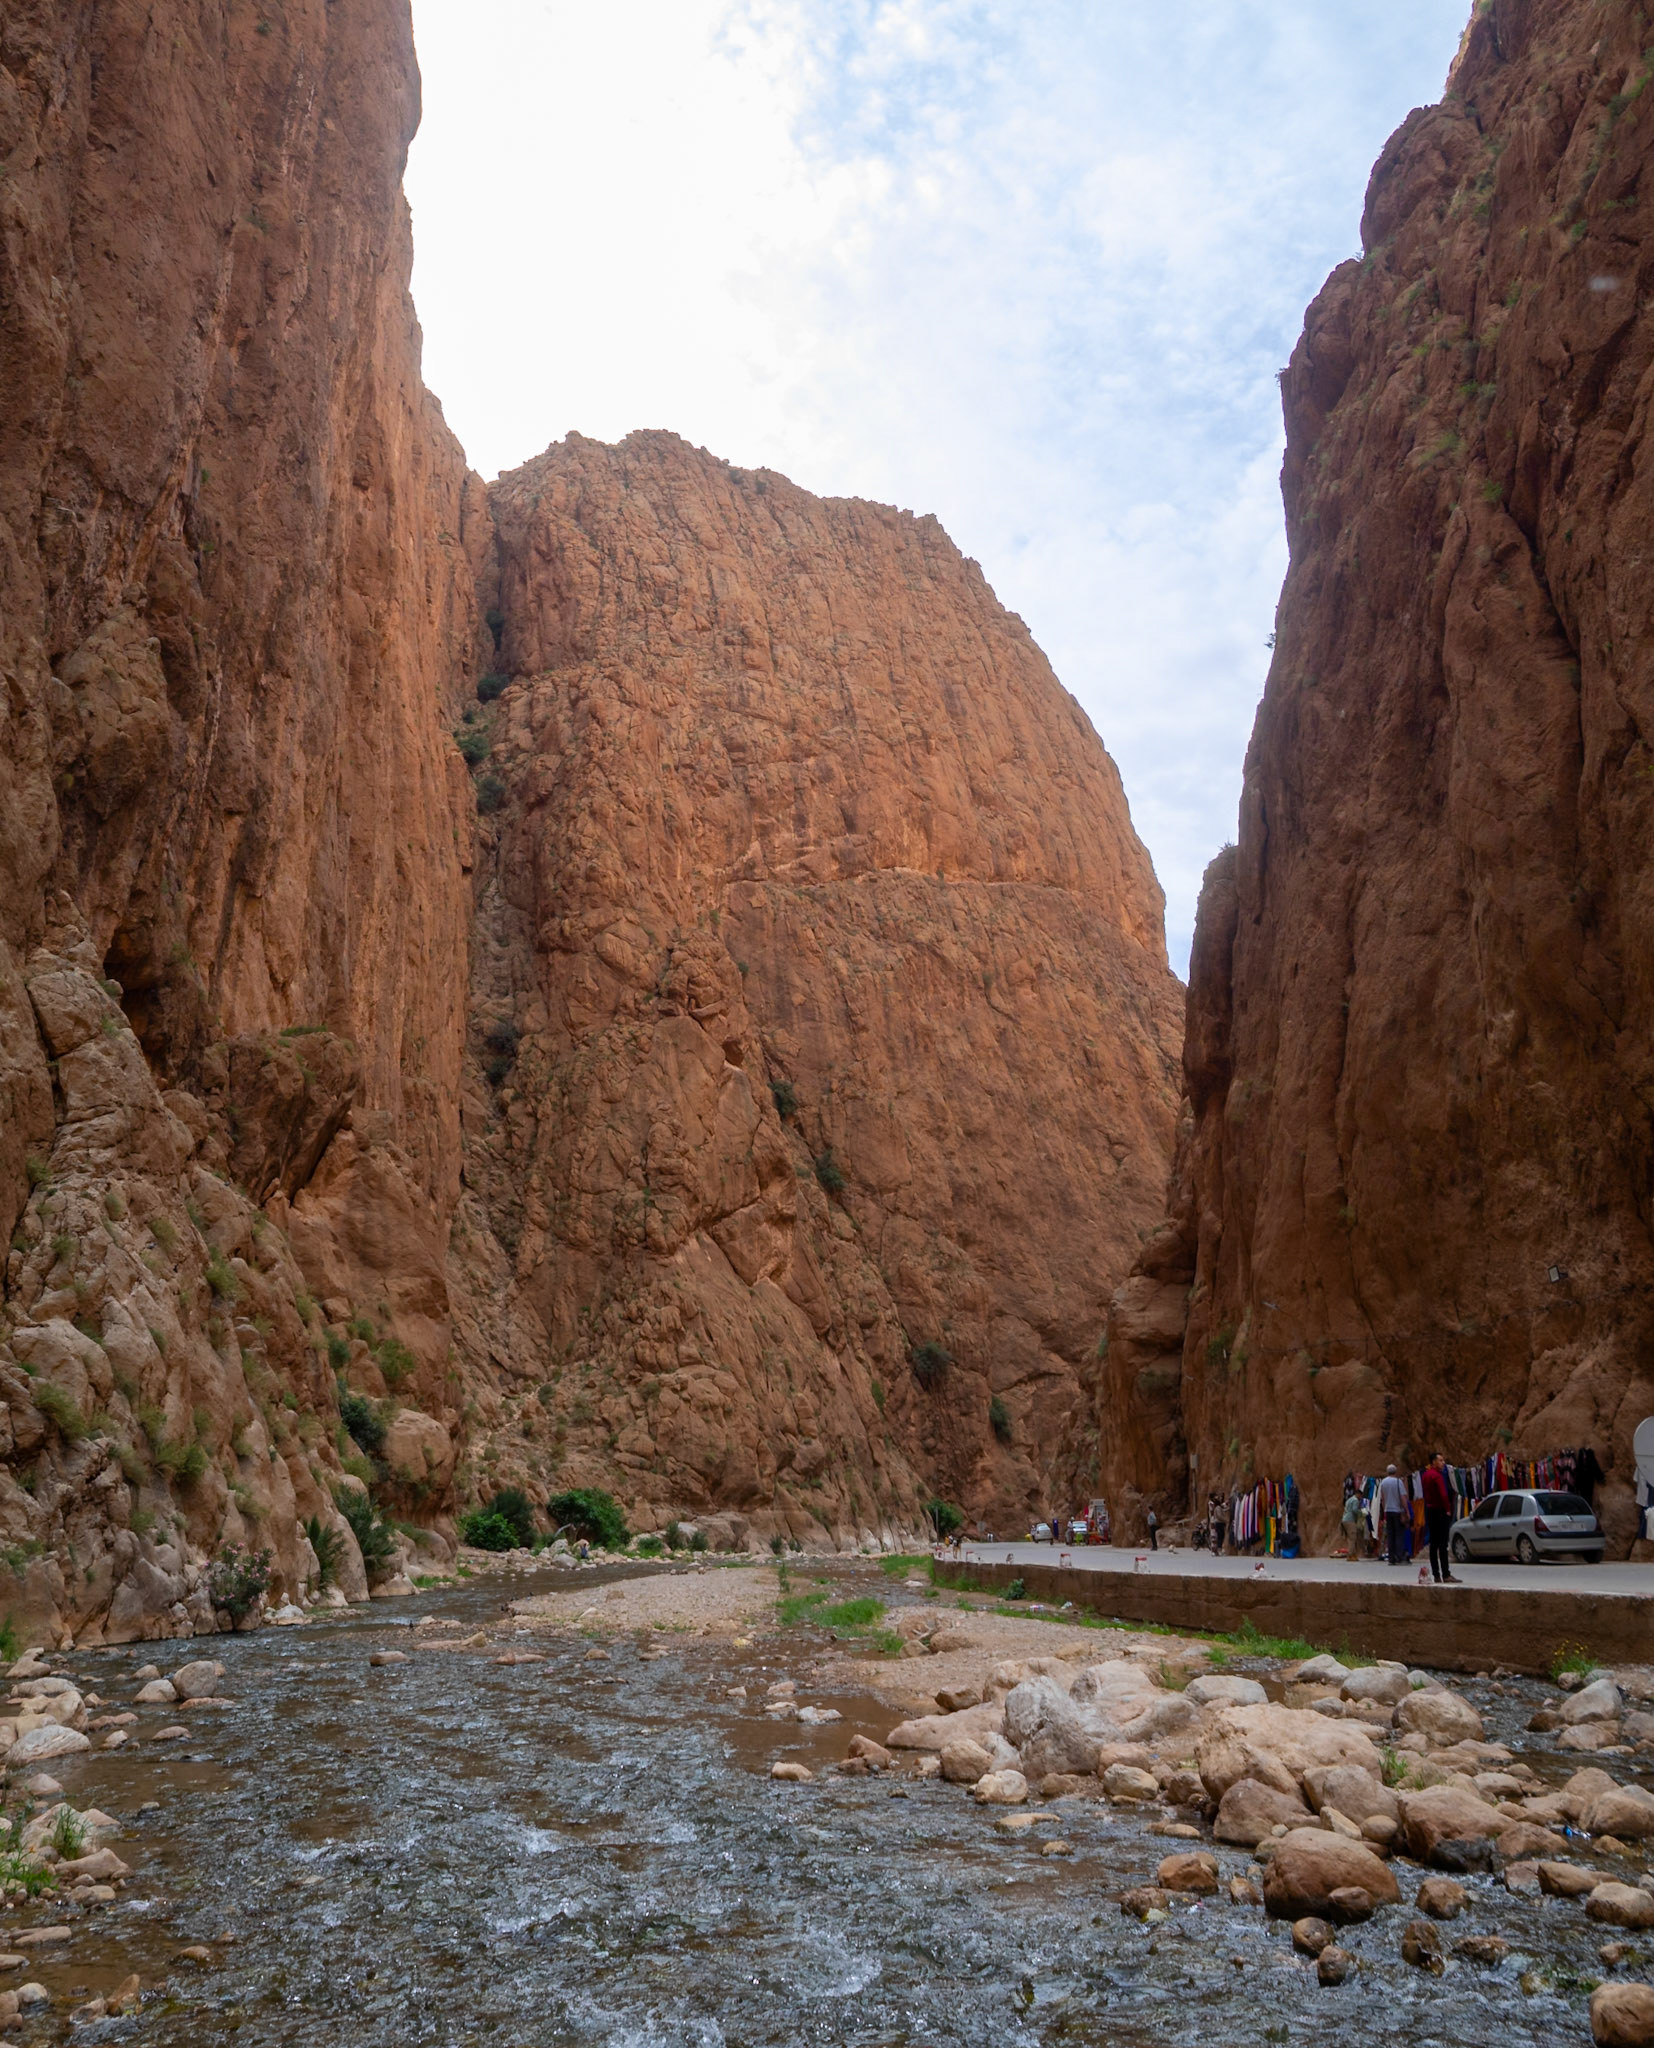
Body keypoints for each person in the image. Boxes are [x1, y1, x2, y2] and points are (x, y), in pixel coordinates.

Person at [1422, 1452, 1458, 1584]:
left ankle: (1436, 1574)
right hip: (1440, 1512)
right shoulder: (1437, 1476)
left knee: (1433, 1544)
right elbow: (1443, 1495)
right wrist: (1448, 1509)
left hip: (1430, 1511)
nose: (1443, 1463)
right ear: (1433, 1462)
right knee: (1443, 1544)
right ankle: (1446, 1574)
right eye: (1441, 1460)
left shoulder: (1425, 1475)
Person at [1376, 1463, 1409, 1566]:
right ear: (1395, 1471)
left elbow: (1382, 1498)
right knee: (1399, 1534)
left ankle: (1391, 1557)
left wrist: (1384, 1509)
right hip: (1397, 1511)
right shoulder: (1398, 1482)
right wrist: (1406, 1510)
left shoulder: (1383, 1483)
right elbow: (1403, 1497)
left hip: (1388, 1511)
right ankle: (1399, 1556)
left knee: (1390, 1535)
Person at [1340, 1476, 1366, 1559]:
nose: (1360, 1498)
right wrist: (1362, 1513)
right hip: (1350, 1520)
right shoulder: (1355, 1500)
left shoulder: (1349, 1499)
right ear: (1358, 1494)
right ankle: (1350, 1555)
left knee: (1350, 1538)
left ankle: (1353, 1554)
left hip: (1344, 1520)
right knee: (1353, 1538)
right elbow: (1354, 1510)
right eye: (1360, 1496)